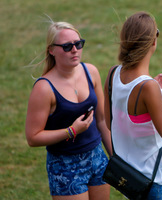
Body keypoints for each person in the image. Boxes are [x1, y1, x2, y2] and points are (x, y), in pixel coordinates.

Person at [103, 11, 162, 200]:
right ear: (153, 42)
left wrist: (154, 94)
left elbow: (111, 123)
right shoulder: (147, 88)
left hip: (135, 179)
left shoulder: (113, 74)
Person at [25, 20, 112, 200]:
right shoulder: (44, 88)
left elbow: (102, 120)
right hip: (65, 166)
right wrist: (71, 131)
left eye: (78, 44)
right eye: (67, 46)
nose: (74, 50)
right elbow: (33, 137)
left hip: (97, 157)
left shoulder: (91, 72)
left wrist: (115, 158)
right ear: (51, 50)